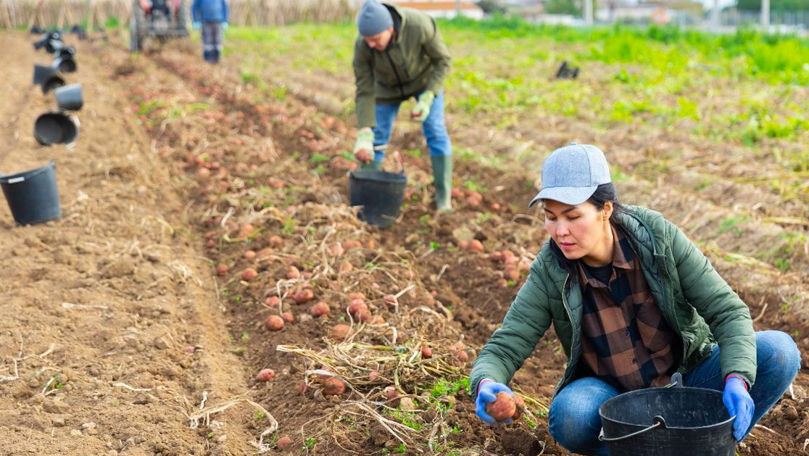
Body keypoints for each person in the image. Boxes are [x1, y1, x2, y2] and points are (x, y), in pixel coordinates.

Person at [469, 143, 801, 455]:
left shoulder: (658, 238)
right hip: (617, 403)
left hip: (687, 381)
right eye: (550, 217)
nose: (560, 231)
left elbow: (727, 311)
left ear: (605, 210)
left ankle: (707, 445)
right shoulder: (551, 269)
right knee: (571, 415)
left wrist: (737, 379)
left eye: (572, 217)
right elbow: (507, 343)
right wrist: (487, 381)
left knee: (778, 352)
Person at [352, 0, 453, 211]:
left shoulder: (419, 25)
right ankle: (368, 203)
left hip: (424, 81)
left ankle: (443, 199)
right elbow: (364, 89)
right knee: (376, 138)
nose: (371, 44)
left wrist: (427, 97)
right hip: (386, 88)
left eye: (375, 39)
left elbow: (442, 61)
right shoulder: (363, 46)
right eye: (367, 40)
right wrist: (364, 131)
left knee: (435, 130)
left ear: (389, 29)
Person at [191, 0, 229, 64]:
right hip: (205, 20)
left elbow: (225, 7)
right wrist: (195, 20)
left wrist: (225, 20)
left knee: (218, 39)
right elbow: (194, 7)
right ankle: (207, 58)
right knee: (207, 39)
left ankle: (216, 58)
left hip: (218, 20)